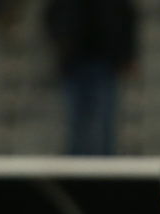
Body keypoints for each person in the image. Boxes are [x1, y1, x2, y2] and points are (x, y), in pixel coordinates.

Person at [43, 0, 138, 155]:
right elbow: (52, 15)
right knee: (76, 120)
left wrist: (127, 55)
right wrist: (62, 43)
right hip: (74, 63)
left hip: (105, 63)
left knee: (105, 119)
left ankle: (106, 163)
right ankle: (75, 163)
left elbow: (126, 18)